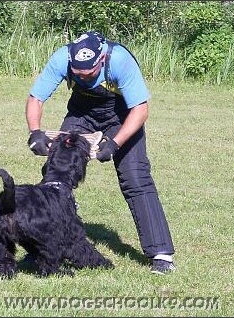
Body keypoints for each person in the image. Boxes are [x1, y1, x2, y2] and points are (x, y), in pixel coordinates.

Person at [24, 31, 176, 274]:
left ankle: (161, 254)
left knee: (134, 177)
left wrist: (114, 144)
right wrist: (35, 132)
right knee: (54, 176)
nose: (83, 77)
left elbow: (140, 110)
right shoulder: (62, 58)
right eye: (78, 74)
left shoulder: (119, 60)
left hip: (123, 115)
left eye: (90, 73)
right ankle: (40, 248)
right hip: (82, 113)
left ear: (101, 61)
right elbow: (36, 98)